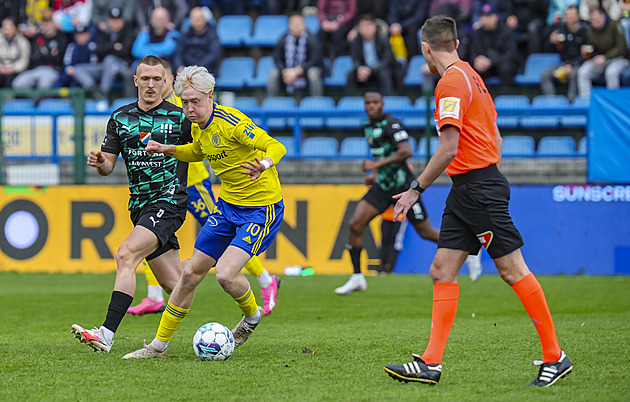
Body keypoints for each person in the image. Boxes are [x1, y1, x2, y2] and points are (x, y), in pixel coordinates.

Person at [383, 15, 572, 386]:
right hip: (470, 187)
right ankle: (431, 363)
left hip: (477, 188)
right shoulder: (472, 75)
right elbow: (495, 136)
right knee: (442, 269)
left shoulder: (450, 83)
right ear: (455, 43)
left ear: (425, 49)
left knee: (512, 269)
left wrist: (415, 188)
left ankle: (556, 356)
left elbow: (449, 147)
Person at [122, 65, 286, 359]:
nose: (189, 108)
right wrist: (168, 149)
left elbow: (274, 145)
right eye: (184, 102)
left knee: (224, 274)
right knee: (190, 274)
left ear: (211, 96)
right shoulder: (198, 125)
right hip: (227, 207)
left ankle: (251, 318)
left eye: (195, 101)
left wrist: (264, 164)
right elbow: (197, 151)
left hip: (261, 208)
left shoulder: (233, 123)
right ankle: (157, 347)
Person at [70, 55, 190, 353]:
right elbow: (108, 166)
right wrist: (99, 162)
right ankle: (217, 332)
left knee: (126, 255)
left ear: (166, 82)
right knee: (177, 284)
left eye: (156, 79)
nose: (150, 84)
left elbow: (203, 148)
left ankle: (106, 335)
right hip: (139, 206)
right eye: (145, 79)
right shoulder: (120, 118)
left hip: (169, 200)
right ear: (135, 80)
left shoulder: (181, 118)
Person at [334, 91, 439, 295]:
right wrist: (375, 173)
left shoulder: (392, 124)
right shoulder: (368, 126)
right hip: (383, 186)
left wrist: (376, 164)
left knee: (426, 232)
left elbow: (406, 151)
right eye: (368, 103)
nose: (371, 106)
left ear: (382, 104)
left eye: (375, 102)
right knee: (355, 224)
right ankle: (357, 277)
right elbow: (381, 152)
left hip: (404, 188)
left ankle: (468, 249)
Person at [577, 6, 629, 99]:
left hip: (619, 59)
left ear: (603, 16)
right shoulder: (590, 30)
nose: (595, 21)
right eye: (592, 19)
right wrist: (586, 52)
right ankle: (586, 103)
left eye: (597, 18)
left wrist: (605, 57)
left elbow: (622, 48)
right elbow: (592, 48)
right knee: (583, 72)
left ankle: (613, 103)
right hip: (600, 60)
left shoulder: (614, 25)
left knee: (611, 72)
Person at [267, 12, 324, 97]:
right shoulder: (283, 39)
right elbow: (277, 59)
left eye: (299, 23)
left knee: (313, 74)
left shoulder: (313, 40)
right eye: (294, 24)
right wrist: (285, 71)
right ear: (289, 26)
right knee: (273, 74)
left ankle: (317, 103)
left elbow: (315, 60)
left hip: (308, 69)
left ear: (304, 25)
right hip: (288, 71)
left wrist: (298, 71)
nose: (297, 26)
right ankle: (271, 103)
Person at [12, 10, 69, 90]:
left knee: (43, 85)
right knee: (18, 83)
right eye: (44, 23)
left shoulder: (61, 38)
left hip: (52, 70)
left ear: (53, 23)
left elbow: (58, 59)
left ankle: (38, 101)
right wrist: (47, 54)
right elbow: (32, 58)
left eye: (48, 22)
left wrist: (43, 54)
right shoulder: (37, 37)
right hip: (34, 70)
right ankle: (31, 101)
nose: (46, 26)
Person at [540, 5, 587, 101]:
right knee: (545, 75)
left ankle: (571, 102)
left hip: (580, 64)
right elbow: (548, 49)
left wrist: (573, 65)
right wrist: (551, 41)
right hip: (564, 64)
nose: (569, 19)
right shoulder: (561, 29)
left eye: (572, 16)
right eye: (567, 16)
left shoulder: (585, 30)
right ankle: (551, 102)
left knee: (575, 74)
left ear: (578, 16)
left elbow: (587, 56)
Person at [470, 3, 520, 87]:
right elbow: (473, 53)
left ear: (496, 17)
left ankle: (505, 97)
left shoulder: (507, 31)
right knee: (472, 70)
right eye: (483, 16)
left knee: (506, 68)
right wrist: (477, 60)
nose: (485, 19)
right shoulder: (477, 33)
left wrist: (491, 62)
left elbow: (511, 54)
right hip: (485, 66)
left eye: (489, 16)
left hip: (501, 64)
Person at [346, 15, 400, 92]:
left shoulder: (384, 41)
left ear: (375, 27)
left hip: (380, 69)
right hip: (364, 71)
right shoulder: (356, 42)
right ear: (359, 29)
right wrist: (360, 69)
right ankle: (351, 101)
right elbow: (355, 60)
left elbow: (387, 61)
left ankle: (389, 99)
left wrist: (371, 71)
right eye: (363, 26)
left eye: (369, 25)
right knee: (351, 74)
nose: (367, 28)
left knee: (384, 73)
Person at [173, 6, 221, 75]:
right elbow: (178, 53)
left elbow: (213, 54)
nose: (197, 21)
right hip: (186, 70)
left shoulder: (212, 34)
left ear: (205, 19)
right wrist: (179, 66)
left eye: (199, 18)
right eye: (194, 18)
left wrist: (198, 68)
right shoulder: (185, 34)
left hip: (206, 70)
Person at [0, 17, 30, 88]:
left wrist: (13, 68)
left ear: (15, 28)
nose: (6, 31)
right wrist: (1, 68)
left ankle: (9, 98)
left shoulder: (23, 42)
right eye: (5, 28)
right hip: (2, 68)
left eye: (9, 28)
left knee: (11, 81)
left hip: (16, 70)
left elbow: (24, 60)